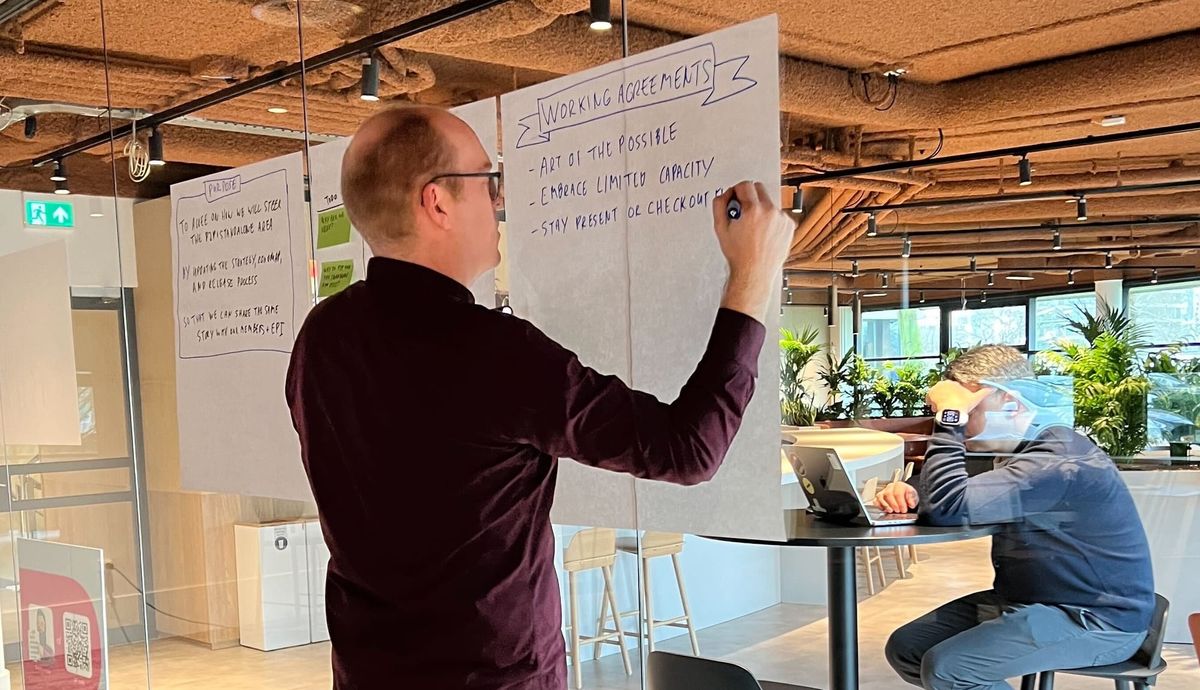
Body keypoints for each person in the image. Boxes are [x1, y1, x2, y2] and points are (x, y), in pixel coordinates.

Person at [285, 105, 795, 689]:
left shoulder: (321, 338)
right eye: (487, 179)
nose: (499, 201)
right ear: (438, 203)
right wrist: (753, 275)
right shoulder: (491, 352)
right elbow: (688, 449)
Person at [875, 344, 1155, 690]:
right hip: (1027, 601)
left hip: (1094, 620)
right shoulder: (1016, 452)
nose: (962, 424)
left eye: (968, 410)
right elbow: (950, 500)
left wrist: (950, 415)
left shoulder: (1057, 461)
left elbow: (949, 509)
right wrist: (914, 492)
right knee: (908, 647)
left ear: (1010, 402)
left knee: (950, 668)